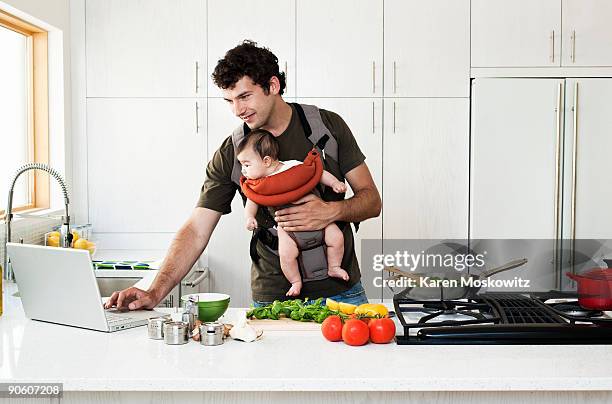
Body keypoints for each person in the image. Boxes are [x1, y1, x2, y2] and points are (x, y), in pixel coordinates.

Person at [104, 40, 381, 310]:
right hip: (274, 299)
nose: (237, 110)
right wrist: (154, 292)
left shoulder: (326, 127)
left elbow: (372, 201)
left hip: (343, 294)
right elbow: (197, 229)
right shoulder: (233, 152)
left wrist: (329, 212)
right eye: (230, 101)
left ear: (273, 86)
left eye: (244, 96)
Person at [236, 129, 350, 297]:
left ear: (266, 161)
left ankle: (334, 267)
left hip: (319, 221)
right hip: (288, 229)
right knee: (286, 255)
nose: (243, 171)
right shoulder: (257, 184)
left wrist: (335, 183)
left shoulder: (293, 166)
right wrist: (249, 217)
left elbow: (316, 174)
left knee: (337, 238)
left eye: (247, 165)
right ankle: (296, 281)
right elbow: (252, 200)